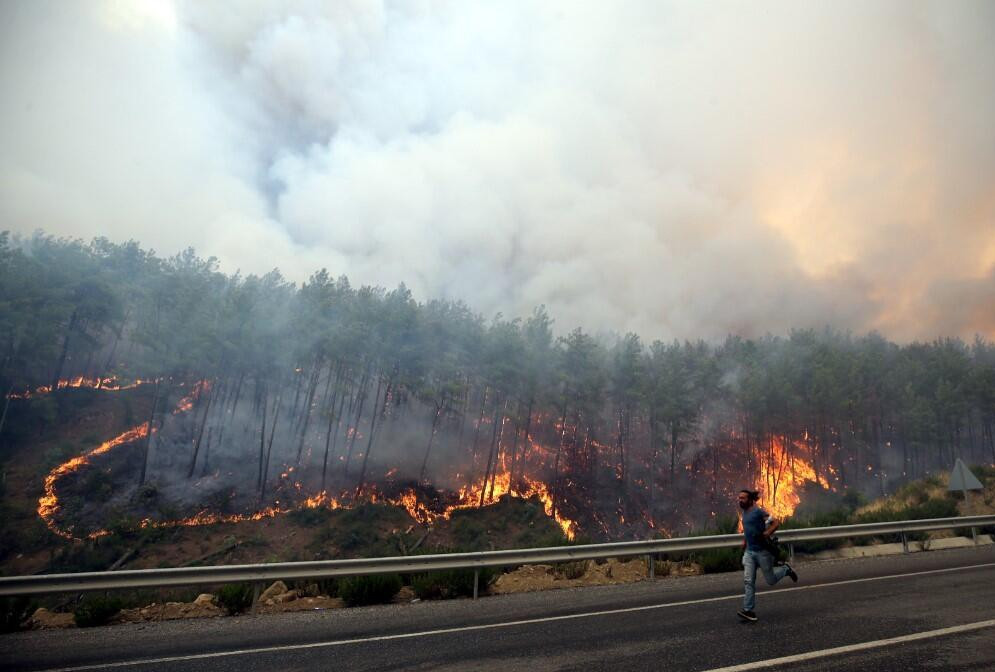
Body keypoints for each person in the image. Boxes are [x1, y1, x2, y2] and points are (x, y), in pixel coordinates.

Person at [736, 489, 797, 622]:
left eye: (743, 498)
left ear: (750, 499)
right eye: (739, 498)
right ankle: (748, 610)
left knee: (771, 580)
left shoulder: (758, 511)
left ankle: (786, 570)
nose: (740, 500)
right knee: (748, 581)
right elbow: (747, 530)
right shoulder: (744, 513)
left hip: (763, 552)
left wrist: (767, 533)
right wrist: (745, 542)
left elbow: (775, 523)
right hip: (750, 553)